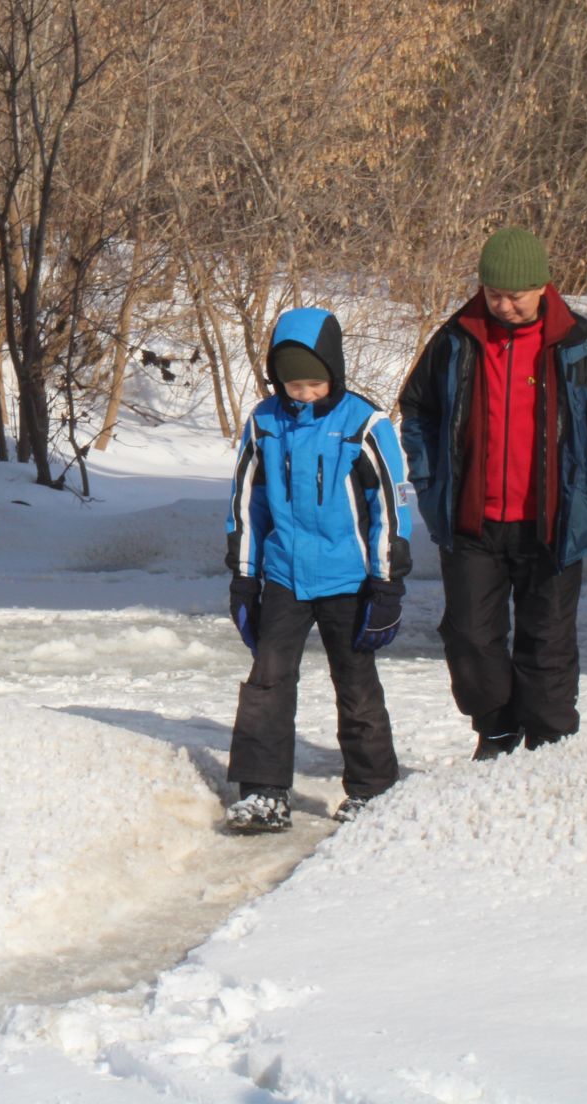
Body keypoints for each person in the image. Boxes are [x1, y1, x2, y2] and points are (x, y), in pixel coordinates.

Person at [398, 227, 587, 759]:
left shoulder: (578, 343)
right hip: (472, 522)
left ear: (542, 287)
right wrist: (430, 479)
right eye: (493, 295)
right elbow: (416, 408)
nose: (504, 306)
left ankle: (549, 746)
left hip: (551, 524)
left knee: (547, 643)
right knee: (469, 637)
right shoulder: (457, 338)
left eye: (515, 296)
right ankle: (497, 729)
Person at [222, 307, 413, 833]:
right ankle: (263, 792)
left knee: (355, 683)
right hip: (284, 576)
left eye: (313, 382)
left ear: (335, 370)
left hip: (349, 581)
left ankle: (372, 788)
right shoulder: (265, 423)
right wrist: (244, 577)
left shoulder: (364, 425)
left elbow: (391, 511)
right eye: (291, 384)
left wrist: (387, 583)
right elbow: (245, 505)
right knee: (268, 680)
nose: (302, 393)